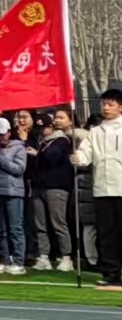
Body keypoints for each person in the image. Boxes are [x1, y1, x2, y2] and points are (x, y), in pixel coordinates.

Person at [74, 88, 122, 291]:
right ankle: (111, 272)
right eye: (104, 104)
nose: (106, 107)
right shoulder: (95, 132)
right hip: (102, 188)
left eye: (111, 104)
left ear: (120, 107)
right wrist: (78, 158)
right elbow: (86, 153)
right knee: (106, 233)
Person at [29, 108, 77, 271]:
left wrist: (38, 153)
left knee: (58, 223)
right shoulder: (43, 143)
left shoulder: (62, 141)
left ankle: (66, 256)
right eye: (39, 128)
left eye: (45, 127)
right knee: (40, 224)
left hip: (56, 186)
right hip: (39, 186)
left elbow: (53, 157)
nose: (42, 130)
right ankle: (44, 256)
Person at [0, 116, 28, 275]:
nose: (1, 137)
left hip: (14, 192)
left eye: (3, 133)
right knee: (0, 229)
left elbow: (19, 169)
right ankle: (4, 260)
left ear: (9, 132)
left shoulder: (18, 147)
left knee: (15, 228)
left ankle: (19, 262)